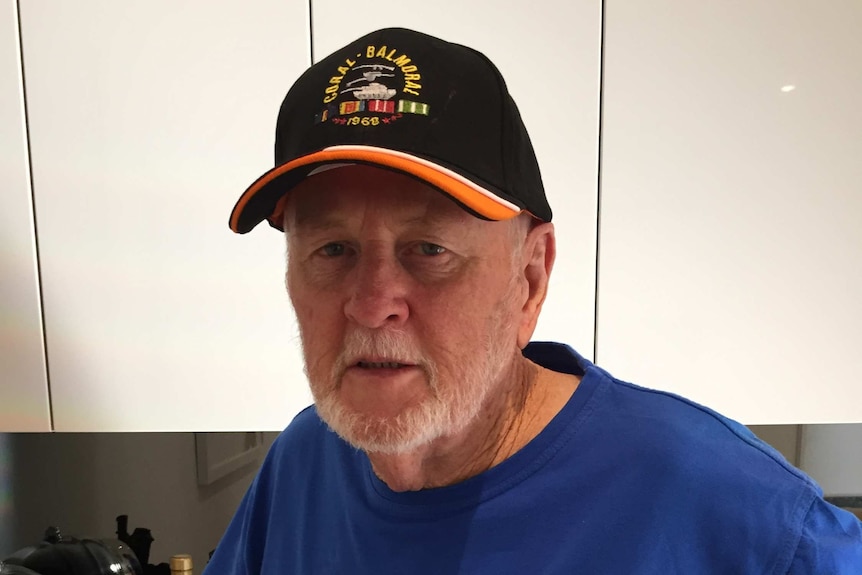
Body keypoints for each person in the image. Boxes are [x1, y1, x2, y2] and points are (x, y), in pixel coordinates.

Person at [206, 27, 862, 573]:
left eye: (429, 249)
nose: (373, 303)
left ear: (531, 276)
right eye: (332, 250)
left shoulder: (740, 515)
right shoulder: (302, 464)